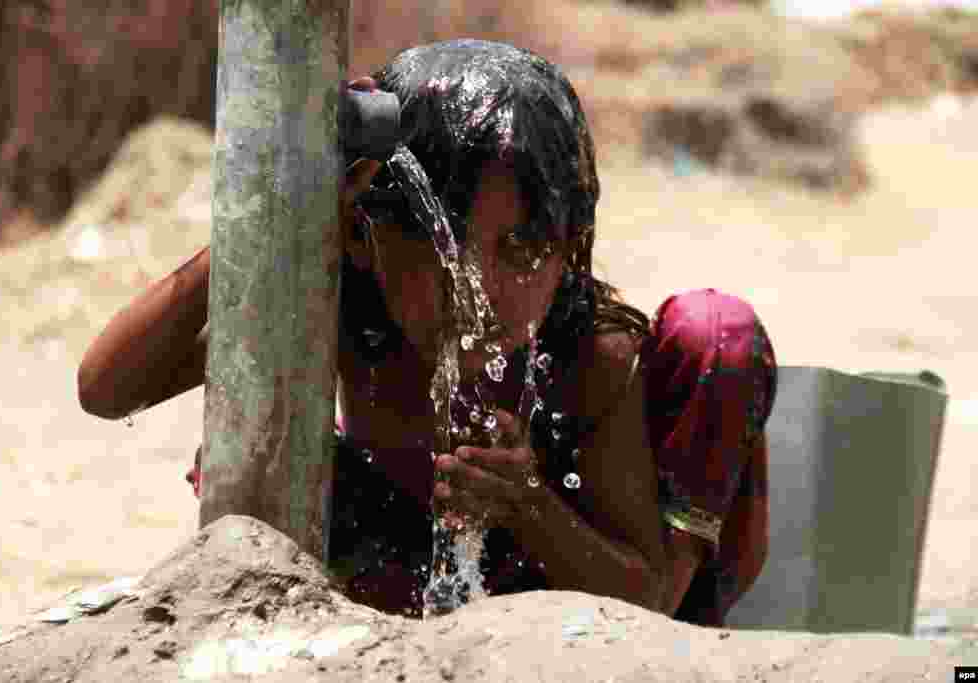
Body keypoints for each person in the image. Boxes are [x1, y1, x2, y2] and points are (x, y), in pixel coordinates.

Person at [77, 39, 776, 626]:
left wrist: (528, 500)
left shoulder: (585, 352)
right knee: (258, 436)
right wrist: (282, 212)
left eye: (525, 249)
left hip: (577, 599)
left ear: (568, 250)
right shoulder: (340, 309)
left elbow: (642, 594)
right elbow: (107, 389)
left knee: (718, 334)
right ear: (361, 232)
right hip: (400, 580)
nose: (489, 290)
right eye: (448, 249)